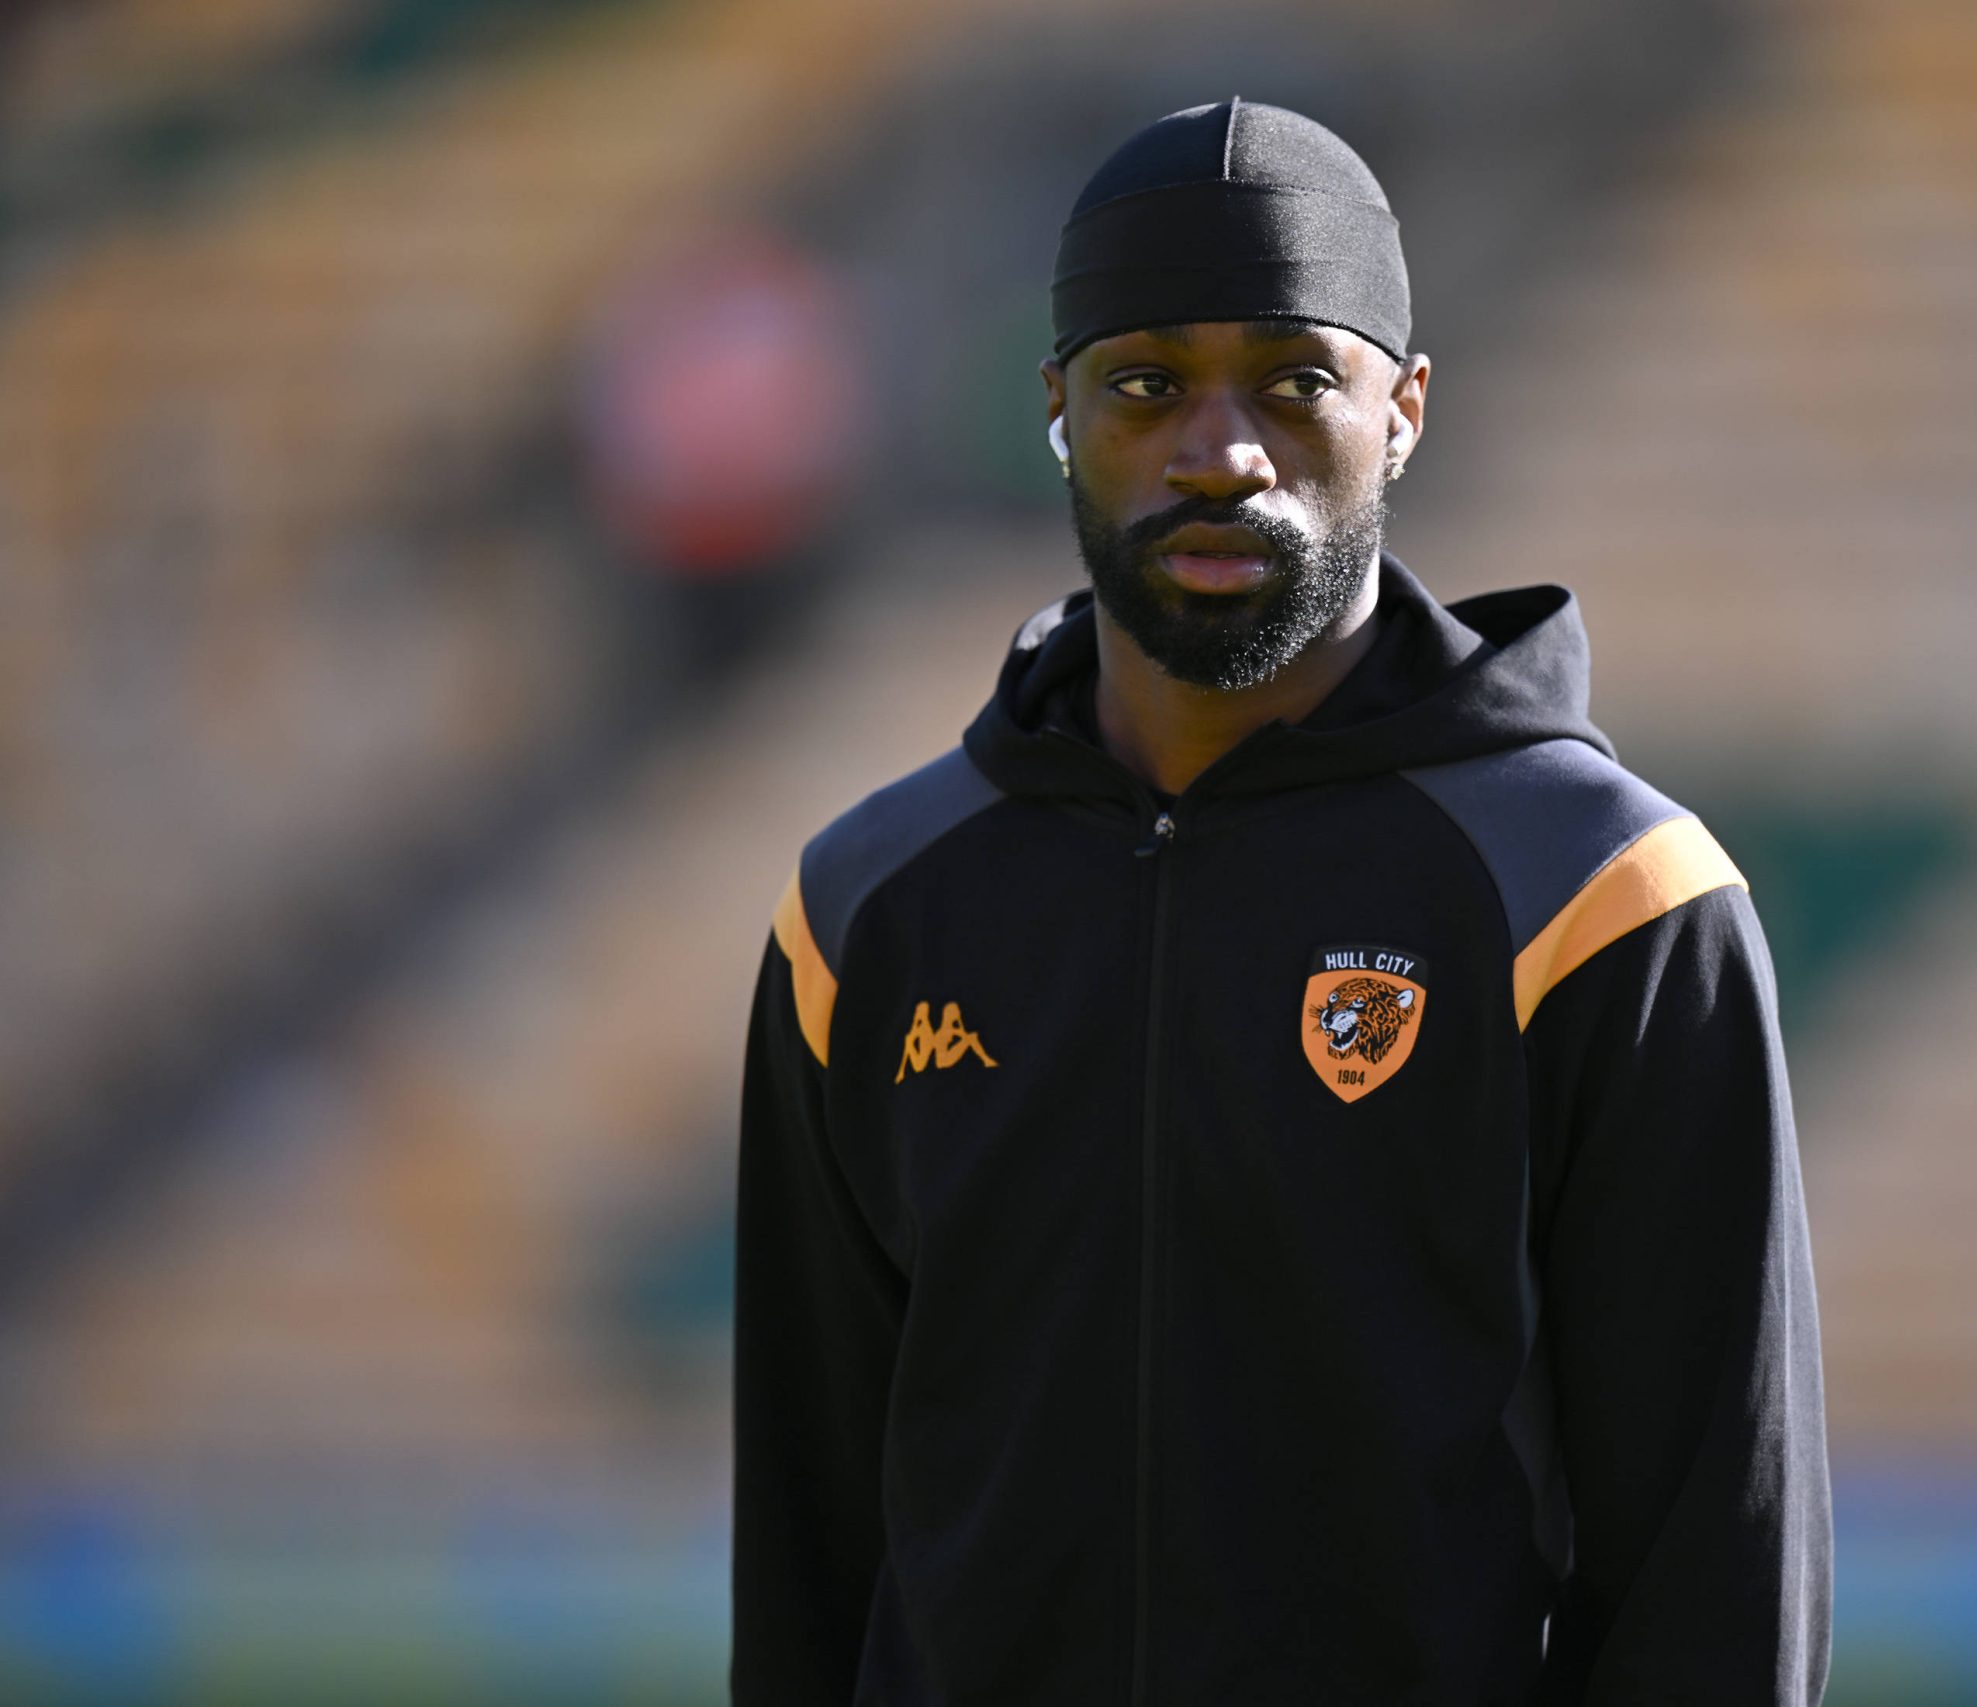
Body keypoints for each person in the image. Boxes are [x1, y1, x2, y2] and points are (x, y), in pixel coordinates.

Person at [730, 97, 1831, 1705]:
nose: (1222, 451)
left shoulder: (1610, 901)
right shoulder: (868, 913)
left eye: (1296, 379)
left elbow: (1715, 1576)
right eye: (1147, 384)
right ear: (1058, 410)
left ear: (1406, 411)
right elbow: (809, 1559)